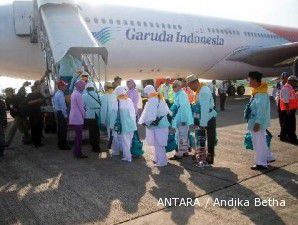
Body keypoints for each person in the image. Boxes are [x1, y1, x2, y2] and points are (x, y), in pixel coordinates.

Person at [244, 71, 275, 170]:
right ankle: (269, 157)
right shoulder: (257, 91)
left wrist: (257, 123)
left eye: (249, 80)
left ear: (254, 80)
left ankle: (261, 163)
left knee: (258, 143)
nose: (248, 82)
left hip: (257, 123)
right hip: (256, 122)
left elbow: (261, 111)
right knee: (261, 141)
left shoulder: (261, 94)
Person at [186, 74, 217, 165]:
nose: (190, 88)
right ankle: (202, 156)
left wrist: (203, 123)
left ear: (195, 82)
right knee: (202, 138)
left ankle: (209, 158)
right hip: (203, 117)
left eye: (190, 86)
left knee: (210, 138)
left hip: (208, 117)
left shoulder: (203, 91)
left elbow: (204, 109)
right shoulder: (199, 90)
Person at [139, 85, 170, 167]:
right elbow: (167, 111)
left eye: (145, 93)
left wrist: (145, 123)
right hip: (162, 125)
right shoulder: (159, 98)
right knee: (158, 143)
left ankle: (162, 162)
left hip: (158, 126)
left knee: (159, 144)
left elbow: (151, 116)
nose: (145, 95)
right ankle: (157, 159)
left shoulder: (152, 100)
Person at [110, 86, 137, 162]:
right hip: (130, 124)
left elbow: (113, 115)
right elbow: (133, 114)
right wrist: (134, 124)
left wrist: (111, 125)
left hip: (121, 125)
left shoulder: (115, 101)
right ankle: (127, 155)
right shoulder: (129, 100)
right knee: (128, 140)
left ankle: (127, 157)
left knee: (123, 140)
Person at [170, 80, 194, 160]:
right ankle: (185, 150)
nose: (173, 88)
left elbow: (184, 108)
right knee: (183, 135)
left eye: (174, 87)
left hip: (182, 119)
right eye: (172, 87)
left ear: (179, 87)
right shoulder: (178, 94)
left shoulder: (181, 95)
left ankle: (180, 153)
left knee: (182, 135)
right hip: (180, 118)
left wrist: (183, 120)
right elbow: (176, 105)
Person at [69, 80, 87, 158]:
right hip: (78, 118)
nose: (84, 88)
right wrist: (84, 115)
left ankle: (76, 152)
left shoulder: (74, 93)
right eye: (83, 86)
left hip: (74, 116)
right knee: (79, 137)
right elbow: (81, 107)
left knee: (77, 136)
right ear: (80, 86)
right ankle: (78, 153)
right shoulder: (78, 95)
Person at [83, 82, 102, 152]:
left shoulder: (84, 95)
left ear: (87, 89)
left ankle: (94, 146)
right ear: (93, 88)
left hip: (89, 114)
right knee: (97, 131)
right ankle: (97, 146)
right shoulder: (98, 94)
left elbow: (83, 105)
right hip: (97, 113)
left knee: (91, 131)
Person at [279, 75, 298, 144]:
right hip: (288, 110)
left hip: (291, 109)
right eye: (295, 81)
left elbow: (293, 98)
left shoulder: (290, 88)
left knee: (288, 124)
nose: (296, 83)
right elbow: (285, 100)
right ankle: (291, 138)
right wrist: (288, 110)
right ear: (290, 81)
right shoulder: (286, 88)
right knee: (289, 125)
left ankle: (284, 137)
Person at [53, 80, 70, 150]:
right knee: (63, 130)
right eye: (64, 85)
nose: (65, 87)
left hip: (58, 112)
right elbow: (63, 106)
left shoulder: (56, 93)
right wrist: (66, 116)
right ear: (61, 86)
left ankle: (60, 144)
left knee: (60, 129)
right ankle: (63, 145)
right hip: (61, 113)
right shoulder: (61, 94)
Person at [26, 81, 45, 147]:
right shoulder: (30, 95)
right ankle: (35, 142)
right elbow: (28, 103)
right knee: (34, 128)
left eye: (40, 86)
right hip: (32, 115)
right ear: (35, 87)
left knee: (40, 127)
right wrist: (37, 100)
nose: (40, 88)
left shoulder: (40, 94)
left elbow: (43, 101)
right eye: (39, 86)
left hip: (40, 114)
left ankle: (39, 141)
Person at [276, 72, 290, 141]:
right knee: (282, 119)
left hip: (284, 102)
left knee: (285, 119)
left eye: (287, 77)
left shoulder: (288, 84)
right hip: (281, 103)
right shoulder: (280, 84)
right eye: (285, 77)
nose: (286, 78)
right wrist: (278, 102)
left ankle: (284, 133)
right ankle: (283, 134)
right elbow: (276, 94)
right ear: (282, 78)